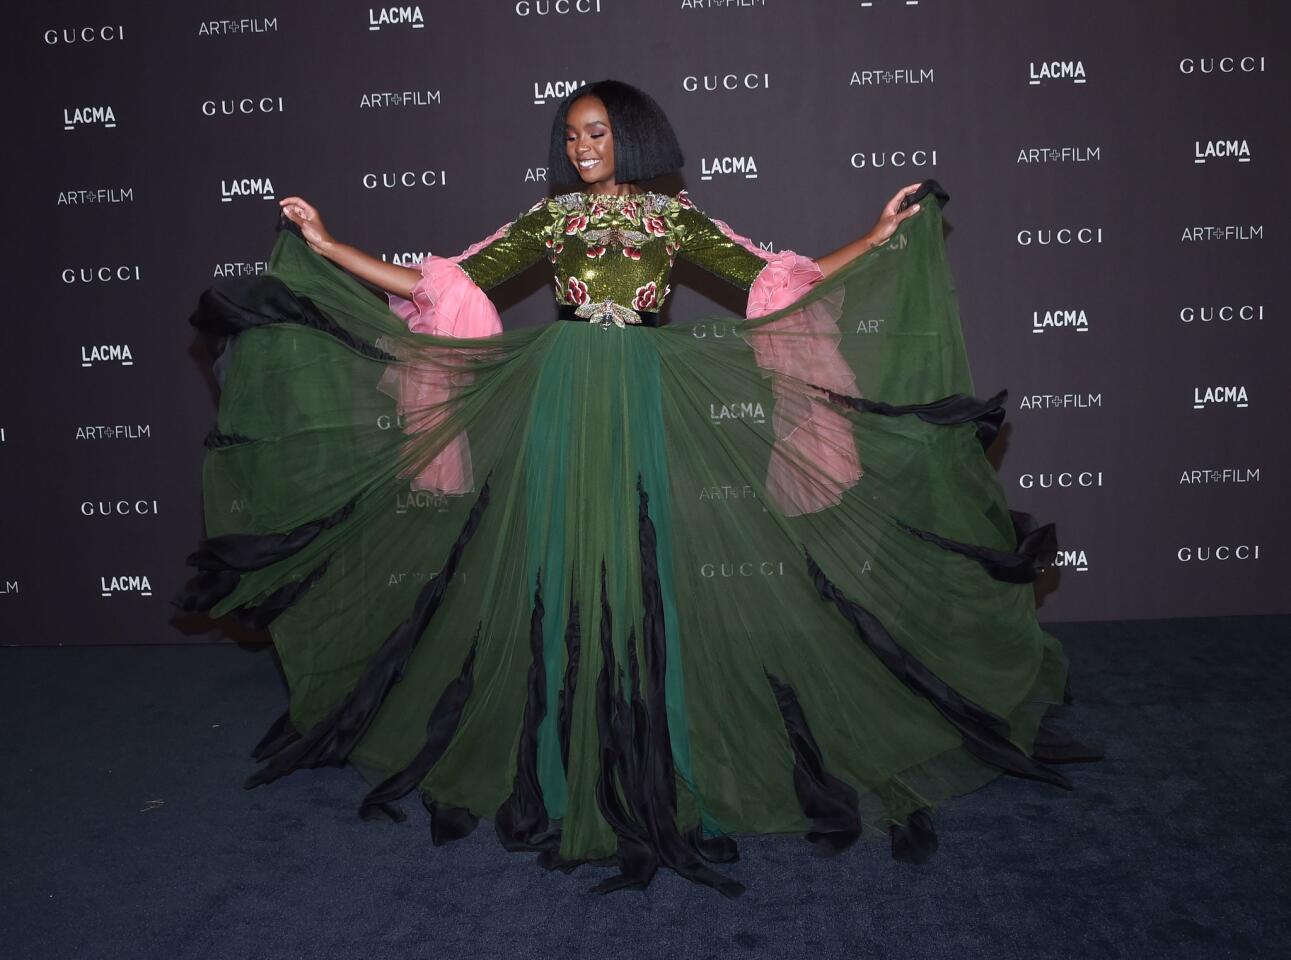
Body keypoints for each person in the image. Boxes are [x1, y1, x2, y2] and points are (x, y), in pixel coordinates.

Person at [179, 80, 1100, 899]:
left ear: (634, 137)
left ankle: (660, 764)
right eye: (571, 136)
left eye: (597, 134)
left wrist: (878, 234)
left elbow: (780, 281)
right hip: (559, 401)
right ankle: (560, 762)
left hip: (644, 400)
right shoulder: (548, 220)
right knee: (563, 572)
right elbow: (439, 286)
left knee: (641, 573)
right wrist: (331, 246)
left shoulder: (675, 218)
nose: (581, 150)